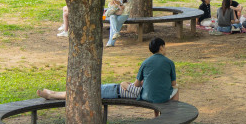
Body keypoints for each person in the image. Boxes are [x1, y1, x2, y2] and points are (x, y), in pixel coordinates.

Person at [38, 37, 178, 103]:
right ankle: (53, 93)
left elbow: (132, 85)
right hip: (121, 91)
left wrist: (125, 83)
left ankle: (53, 95)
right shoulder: (168, 64)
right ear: (161, 47)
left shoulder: (146, 66)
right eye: (164, 47)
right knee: (88, 91)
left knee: (88, 92)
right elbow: (173, 85)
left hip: (115, 91)